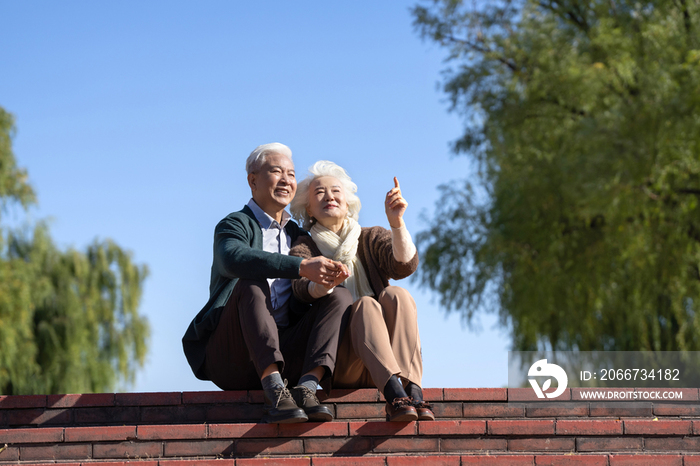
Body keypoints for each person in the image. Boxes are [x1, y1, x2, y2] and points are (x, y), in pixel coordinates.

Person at [182, 144, 352, 424]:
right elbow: (232, 258)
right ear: (252, 180)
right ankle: (274, 389)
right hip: (233, 356)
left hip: (288, 353)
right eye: (276, 172)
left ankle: (307, 388)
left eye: (291, 174)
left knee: (340, 296)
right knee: (251, 281)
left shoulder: (300, 235)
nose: (286, 180)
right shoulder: (234, 224)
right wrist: (300, 267)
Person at [289, 160, 434, 422]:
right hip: (346, 363)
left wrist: (397, 223)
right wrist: (324, 283)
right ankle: (395, 397)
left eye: (336, 190)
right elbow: (300, 290)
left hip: (391, 358)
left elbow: (403, 265)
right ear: (308, 207)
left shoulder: (368, 237)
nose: (329, 196)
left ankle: (413, 390)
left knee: (397, 294)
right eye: (319, 192)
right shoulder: (305, 246)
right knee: (365, 305)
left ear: (348, 202)